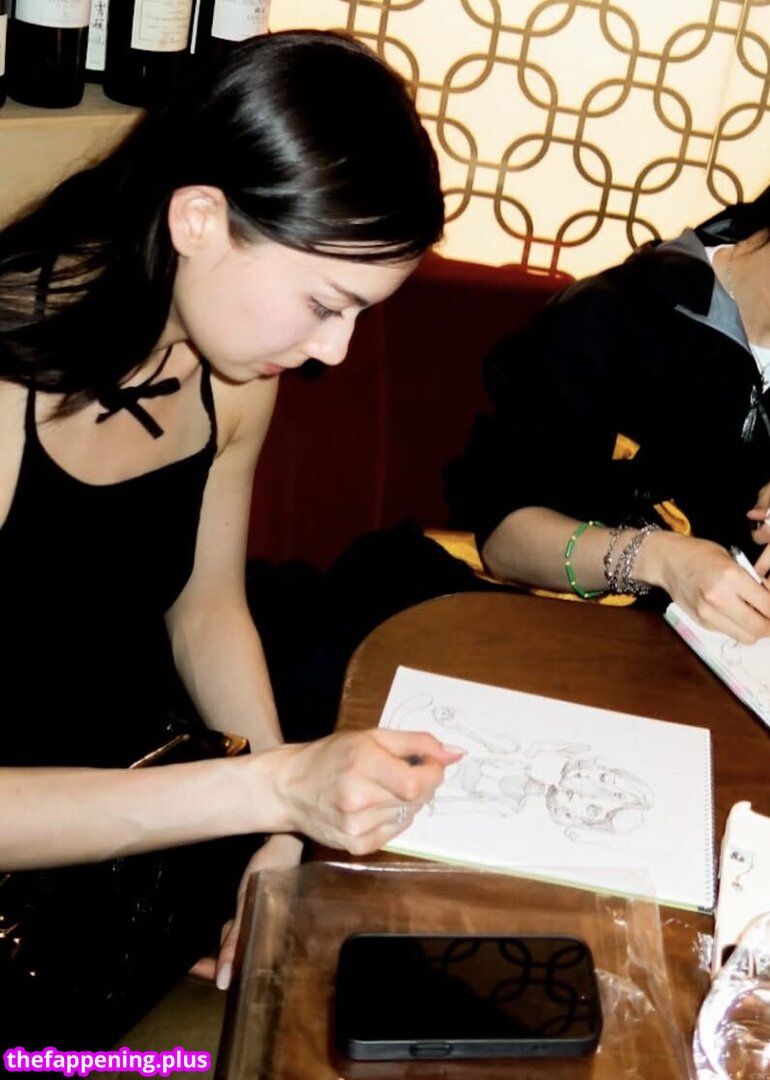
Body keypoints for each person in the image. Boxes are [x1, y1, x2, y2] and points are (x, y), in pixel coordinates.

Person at [0, 29, 460, 1049]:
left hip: (147, 797)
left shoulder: (230, 374)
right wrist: (268, 789)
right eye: (325, 305)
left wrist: (280, 828)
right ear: (199, 218)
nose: (334, 352)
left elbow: (205, 608)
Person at [446, 187, 770, 644]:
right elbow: (504, 537)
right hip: (557, 636)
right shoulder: (615, 316)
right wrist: (659, 560)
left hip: (719, 662)